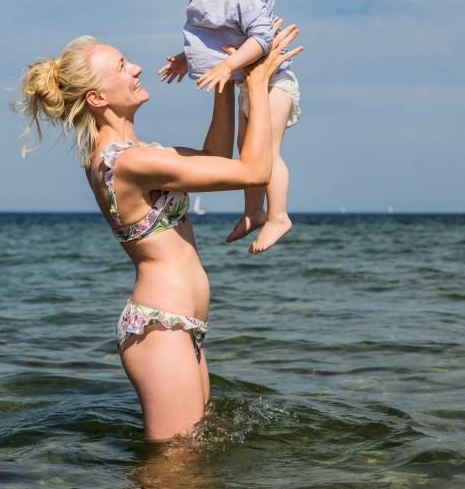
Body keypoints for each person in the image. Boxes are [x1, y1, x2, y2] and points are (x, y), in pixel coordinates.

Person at [15, 22, 301, 441]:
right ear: (97, 97)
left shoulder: (140, 155)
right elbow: (253, 171)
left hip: (180, 326)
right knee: (173, 471)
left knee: (192, 462)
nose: (137, 69)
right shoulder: (128, 164)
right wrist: (256, 84)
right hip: (160, 328)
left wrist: (225, 77)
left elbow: (214, 158)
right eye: (122, 65)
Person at [158, 0, 301, 254]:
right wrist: (185, 59)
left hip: (274, 82)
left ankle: (279, 216)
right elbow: (212, 40)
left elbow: (262, 39)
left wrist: (228, 65)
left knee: (267, 150)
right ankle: (253, 211)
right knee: (246, 151)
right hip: (248, 85)